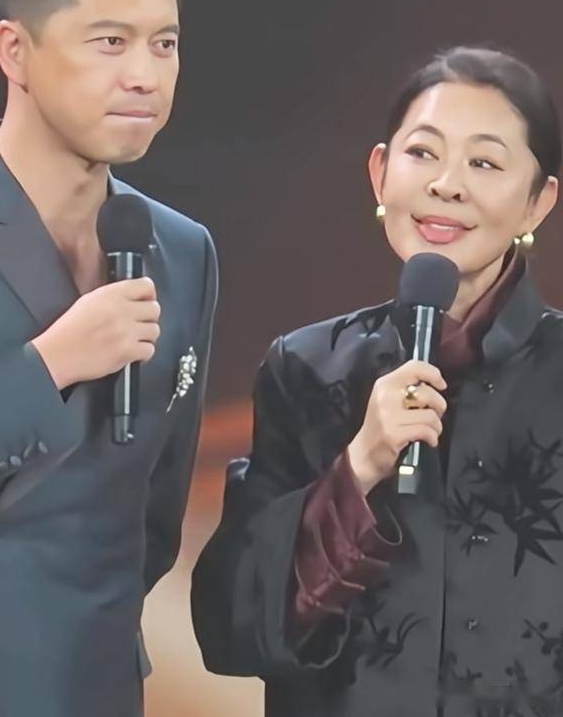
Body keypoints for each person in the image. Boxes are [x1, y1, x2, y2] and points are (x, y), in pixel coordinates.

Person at [192, 46, 563, 717]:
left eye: (484, 163)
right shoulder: (304, 370)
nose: (446, 184)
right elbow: (231, 625)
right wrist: (359, 466)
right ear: (380, 172)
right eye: (423, 153)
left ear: (539, 203)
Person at [0, 0, 217, 717]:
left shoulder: (182, 248)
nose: (145, 75)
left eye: (165, 43)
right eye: (110, 42)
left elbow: (152, 515)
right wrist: (49, 365)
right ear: (15, 50)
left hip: (92, 683)